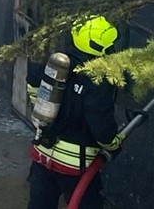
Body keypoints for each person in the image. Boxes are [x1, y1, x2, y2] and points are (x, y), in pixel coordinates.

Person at [26, 15, 124, 209]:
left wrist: (42, 111)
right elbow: (100, 125)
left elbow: (33, 84)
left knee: (40, 204)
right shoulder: (97, 80)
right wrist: (114, 144)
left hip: (42, 153)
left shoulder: (57, 64)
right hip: (74, 166)